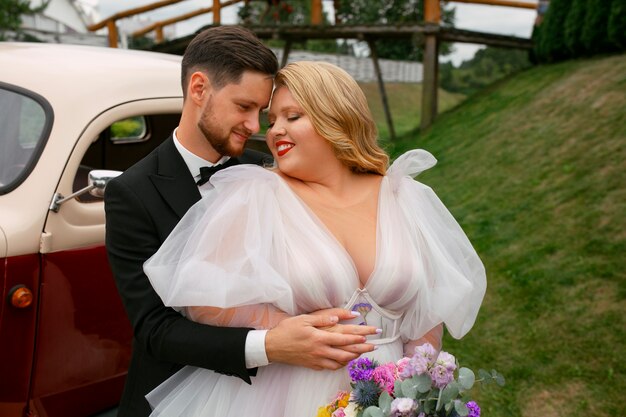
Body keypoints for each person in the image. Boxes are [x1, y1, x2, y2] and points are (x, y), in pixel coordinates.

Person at [143, 61, 487, 417]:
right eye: (272, 120)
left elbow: (427, 315)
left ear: (335, 117)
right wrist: (284, 332)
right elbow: (206, 300)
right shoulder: (256, 193)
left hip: (391, 396)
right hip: (288, 395)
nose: (275, 130)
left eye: (292, 116)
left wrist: (416, 395)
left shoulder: (403, 195)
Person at [105, 27, 377, 417]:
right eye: (244, 107)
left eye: (260, 112)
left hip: (282, 393)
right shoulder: (131, 193)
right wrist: (270, 345)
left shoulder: (269, 171)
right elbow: (154, 328)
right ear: (199, 89)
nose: (255, 127)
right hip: (172, 397)